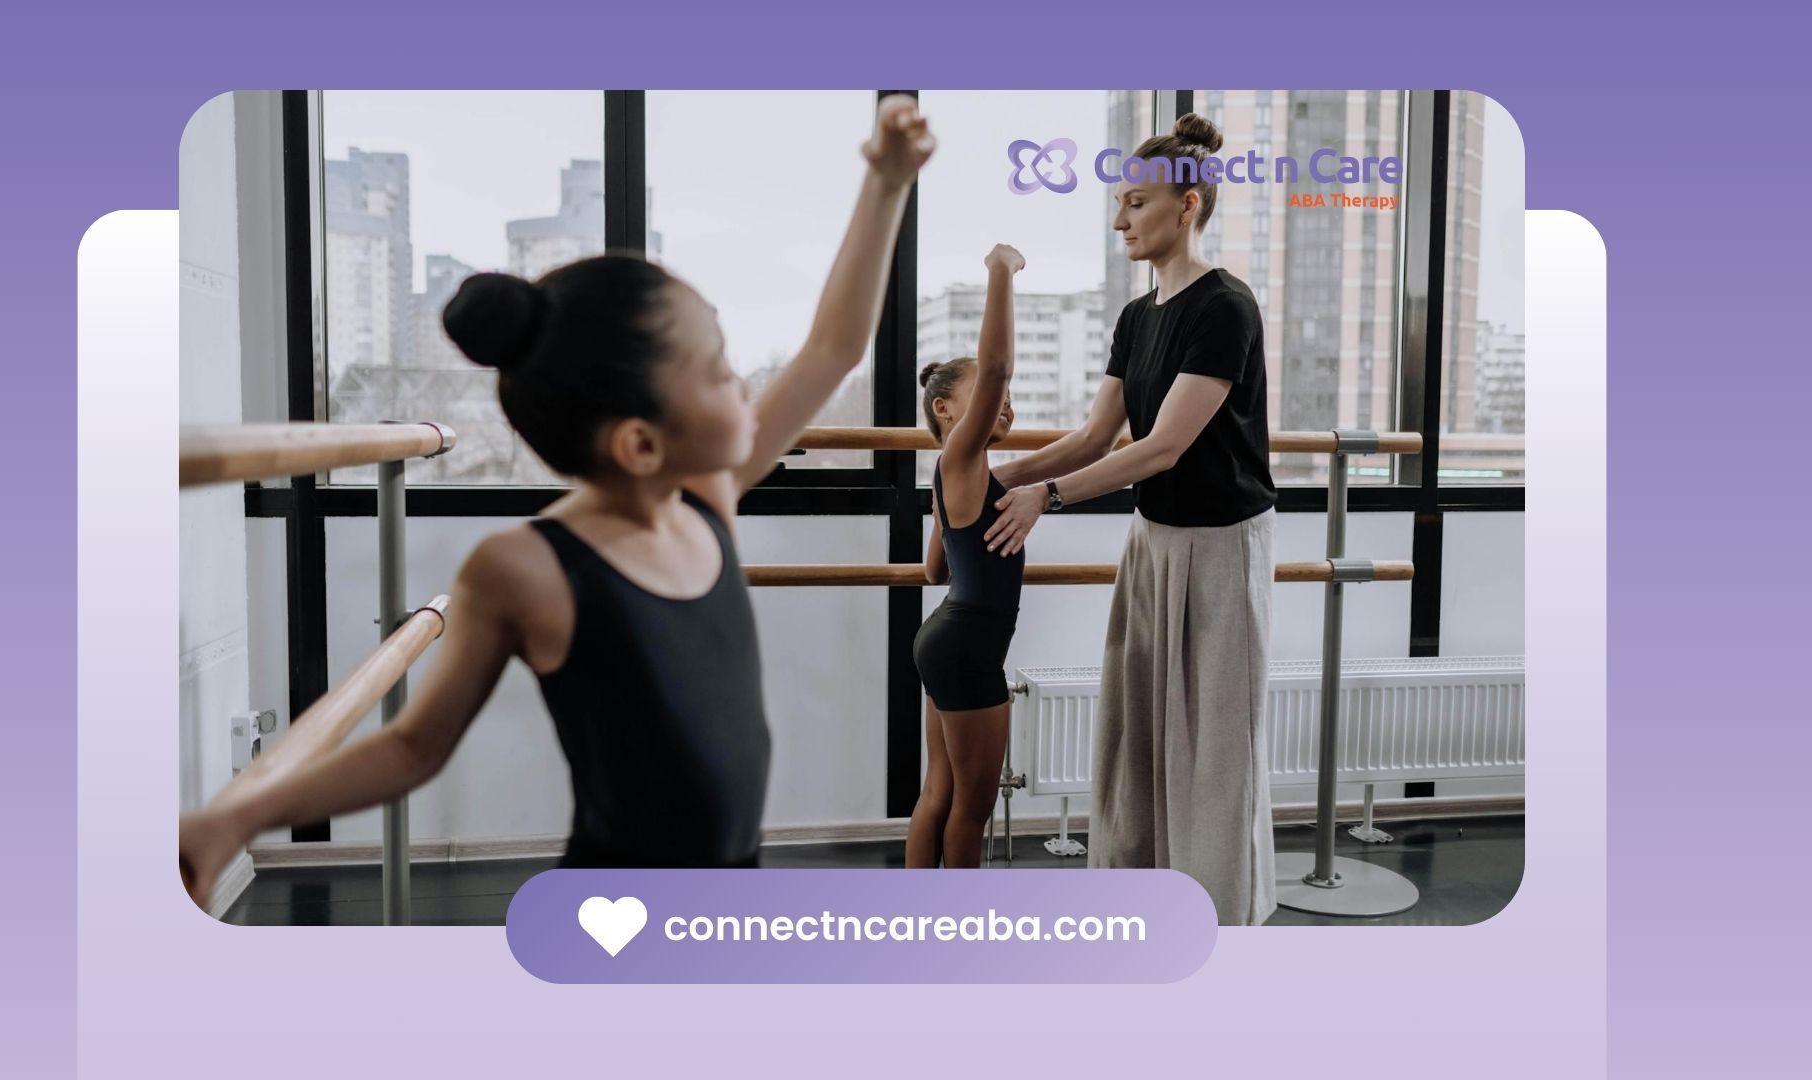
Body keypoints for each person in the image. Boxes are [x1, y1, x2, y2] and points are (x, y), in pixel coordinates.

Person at [178, 96, 937, 906]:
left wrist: (886, 183)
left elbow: (833, 347)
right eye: (718, 368)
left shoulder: (707, 497)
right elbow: (409, 749)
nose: (744, 381)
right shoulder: (525, 568)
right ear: (641, 443)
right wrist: (237, 817)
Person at [980, 113, 1280, 924]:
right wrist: (995, 474)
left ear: (1187, 206)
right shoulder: (1136, 317)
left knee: (1215, 747)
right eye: (1118, 203)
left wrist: (1048, 497)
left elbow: (1162, 449)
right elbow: (1095, 436)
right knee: (1138, 730)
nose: (1121, 220)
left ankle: (1223, 919)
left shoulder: (1226, 308)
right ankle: (1146, 901)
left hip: (1221, 549)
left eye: (1135, 203)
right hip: (1152, 543)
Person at [907, 243, 1025, 869]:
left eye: (1006, 396)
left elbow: (936, 570)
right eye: (985, 395)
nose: (1003, 401)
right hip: (971, 645)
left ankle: (921, 928)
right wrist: (1001, 270)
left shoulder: (958, 473)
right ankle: (956, 935)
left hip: (947, 637)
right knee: (971, 810)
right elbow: (998, 363)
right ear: (945, 408)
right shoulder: (960, 457)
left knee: (939, 792)